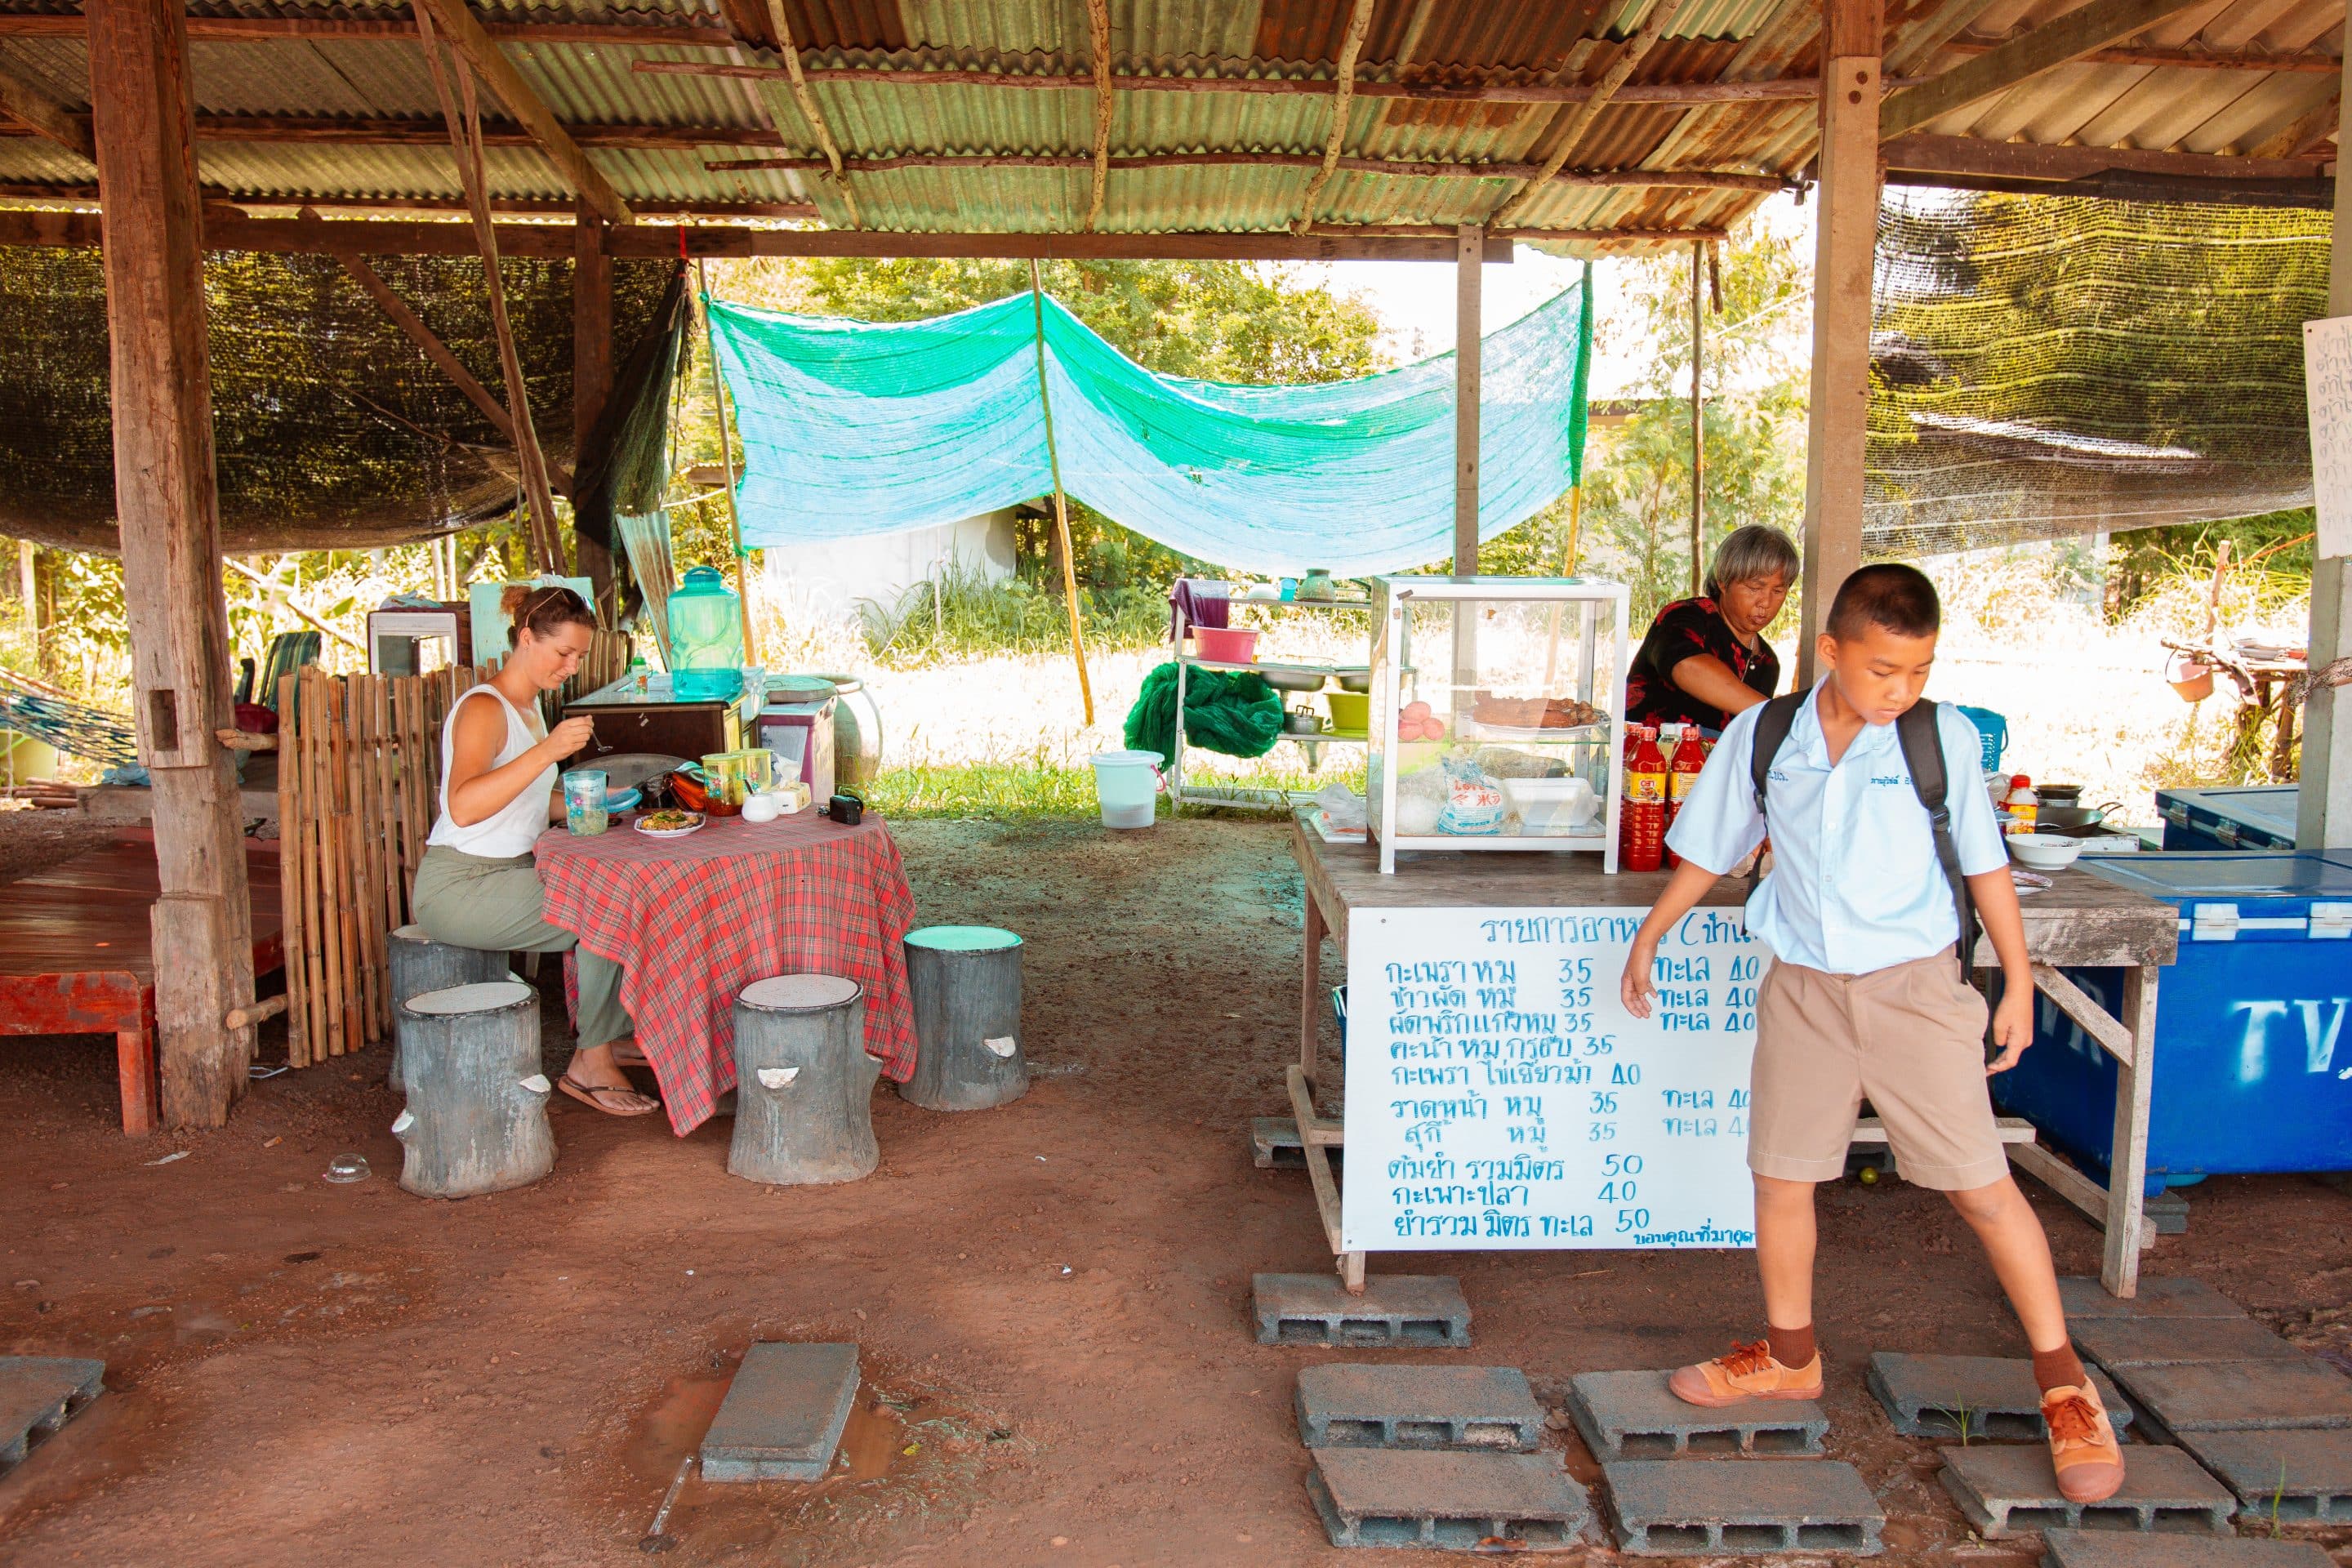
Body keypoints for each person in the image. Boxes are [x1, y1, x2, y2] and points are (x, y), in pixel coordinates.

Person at [1617, 563, 2124, 1504]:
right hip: (1804, 986)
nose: (1903, 690)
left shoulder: (1939, 739)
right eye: (1885, 670)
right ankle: (1789, 1355)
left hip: (1914, 992)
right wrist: (1654, 930)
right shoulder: (1771, 733)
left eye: (1920, 671)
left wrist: (2015, 983)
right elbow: (1710, 845)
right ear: (1832, 652)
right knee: (1780, 1176)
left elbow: (1985, 868)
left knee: (1981, 1188)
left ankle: (2064, 1384)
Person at [409, 584, 656, 1118]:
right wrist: (549, 751)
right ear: (527, 638)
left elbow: (521, 803)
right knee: (603, 905)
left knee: (623, 890)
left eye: (579, 656)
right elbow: (465, 806)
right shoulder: (483, 708)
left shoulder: (528, 709)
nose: (571, 666)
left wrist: (589, 800)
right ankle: (591, 1061)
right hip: (460, 886)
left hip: (508, 875)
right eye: (563, 652)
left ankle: (607, 1039)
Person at [1623, 524, 1798, 735]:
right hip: (1644, 764)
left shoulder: (1766, 662)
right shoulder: (1684, 618)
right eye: (1754, 588)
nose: (1766, 602)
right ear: (1723, 581)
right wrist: (1773, 714)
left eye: (1778, 591)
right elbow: (1687, 667)